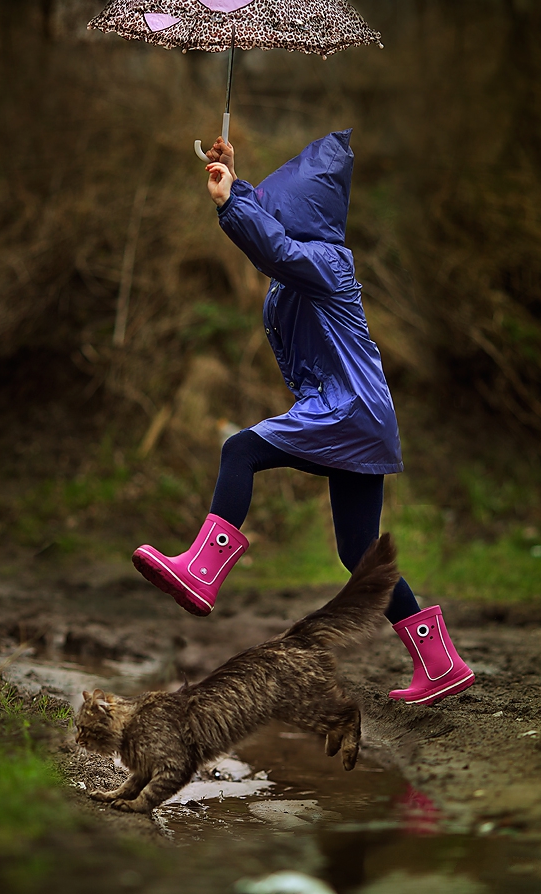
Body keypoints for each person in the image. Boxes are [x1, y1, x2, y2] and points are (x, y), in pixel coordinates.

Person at [132, 131, 474, 705]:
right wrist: (235, 184)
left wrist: (231, 203)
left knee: (240, 448)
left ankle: (201, 571)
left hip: (346, 410)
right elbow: (272, 246)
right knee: (359, 553)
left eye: (279, 209)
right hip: (352, 413)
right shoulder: (300, 271)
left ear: (303, 215)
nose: (275, 217)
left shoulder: (326, 261)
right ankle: (439, 664)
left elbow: (275, 249)